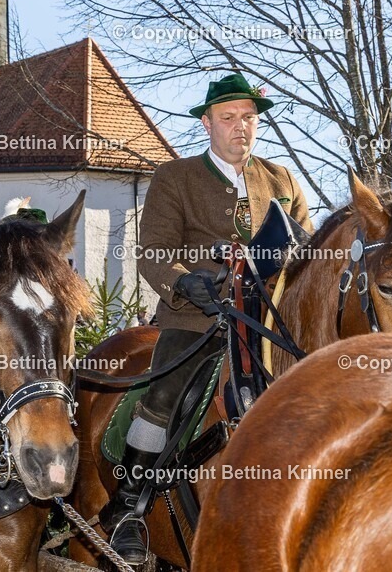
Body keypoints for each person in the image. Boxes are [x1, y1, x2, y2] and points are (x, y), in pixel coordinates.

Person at [100, 73, 315, 563]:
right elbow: (153, 253)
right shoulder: (174, 178)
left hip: (271, 323)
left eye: (249, 118)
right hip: (195, 319)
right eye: (228, 118)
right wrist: (183, 281)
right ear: (206, 122)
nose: (241, 127)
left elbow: (308, 253)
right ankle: (129, 506)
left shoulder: (282, 179)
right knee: (166, 390)